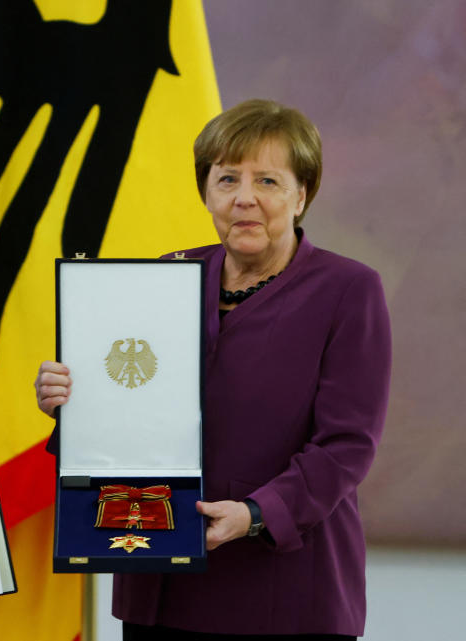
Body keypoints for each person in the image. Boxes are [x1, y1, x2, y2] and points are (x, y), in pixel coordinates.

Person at [35, 99, 390, 639]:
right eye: (227, 179)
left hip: (287, 585)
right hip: (161, 572)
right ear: (206, 192)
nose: (244, 198)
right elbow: (130, 409)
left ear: (302, 194)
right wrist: (71, 405)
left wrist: (256, 513)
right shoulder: (161, 277)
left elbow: (348, 445)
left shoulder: (349, 290)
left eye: (268, 181)